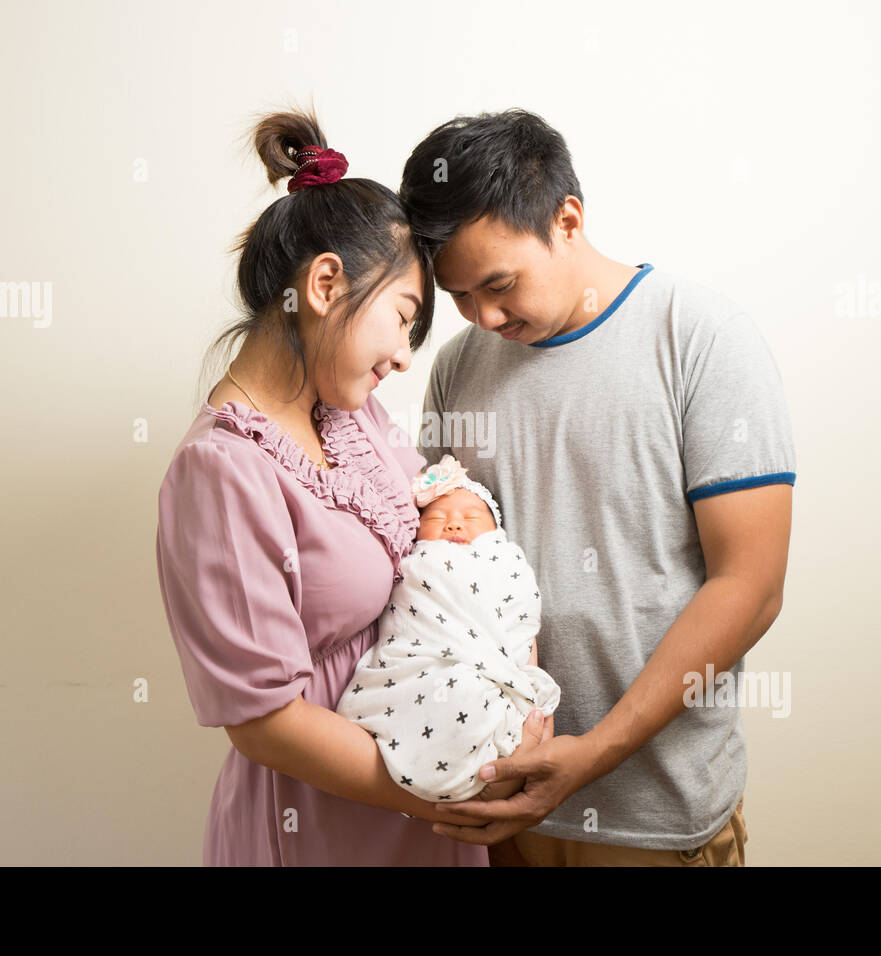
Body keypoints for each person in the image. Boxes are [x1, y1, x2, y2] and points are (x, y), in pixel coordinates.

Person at [398, 108, 796, 866]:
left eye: (499, 283)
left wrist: (593, 754)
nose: (482, 315)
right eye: (458, 296)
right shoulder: (458, 366)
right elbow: (442, 571)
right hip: (500, 812)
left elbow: (751, 584)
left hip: (655, 819)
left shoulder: (700, 338)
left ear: (568, 219)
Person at [154, 107, 545, 866]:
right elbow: (265, 722)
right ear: (326, 283)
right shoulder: (222, 470)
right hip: (326, 828)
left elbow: (448, 548)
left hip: (429, 818)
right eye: (403, 319)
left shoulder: (350, 417)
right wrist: (456, 786)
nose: (404, 358)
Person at [335, 455, 561, 805]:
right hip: (419, 657)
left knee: (470, 694)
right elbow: (407, 605)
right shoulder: (418, 562)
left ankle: (471, 742)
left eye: (471, 518)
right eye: (438, 518)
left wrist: (518, 667)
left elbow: (522, 609)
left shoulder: (504, 559)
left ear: (497, 532)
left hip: (484, 663)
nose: (454, 526)